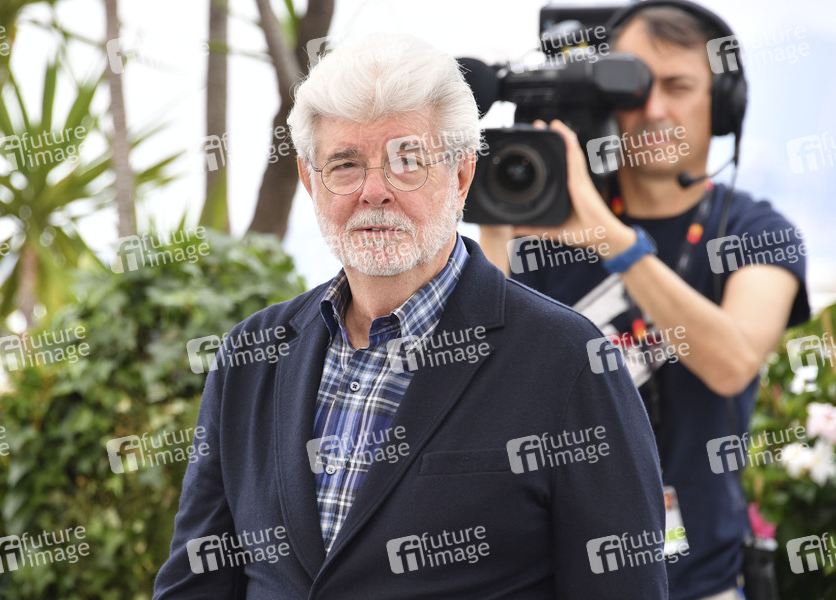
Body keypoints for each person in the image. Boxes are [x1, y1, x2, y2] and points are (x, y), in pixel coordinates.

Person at [154, 32, 668, 599]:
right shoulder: (251, 356)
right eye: (345, 164)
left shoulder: (569, 361)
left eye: (407, 161)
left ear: (462, 175)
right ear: (309, 180)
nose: (374, 191)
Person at [479, 2, 811, 599]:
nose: (654, 109)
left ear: (723, 103)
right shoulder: (540, 224)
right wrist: (498, 229)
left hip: (700, 585)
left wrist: (612, 239)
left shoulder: (755, 232)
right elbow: (481, 375)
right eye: (633, 87)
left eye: (679, 86)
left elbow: (733, 362)